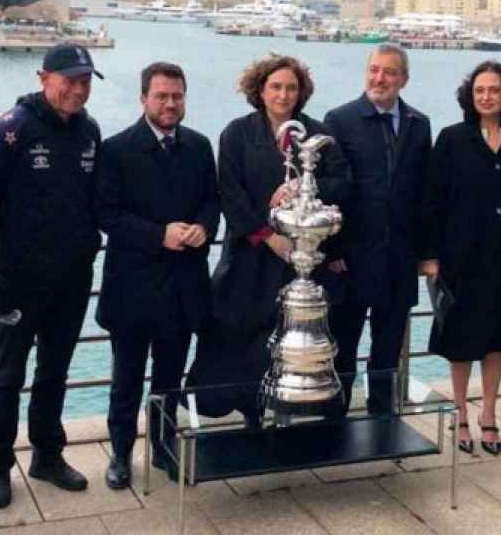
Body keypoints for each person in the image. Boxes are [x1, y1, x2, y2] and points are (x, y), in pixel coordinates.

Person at [185, 54, 351, 423]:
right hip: (250, 257)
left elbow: (342, 183)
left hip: (301, 259)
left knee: (289, 342)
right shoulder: (237, 133)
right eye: (276, 86)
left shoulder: (317, 133)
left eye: (291, 87)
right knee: (237, 338)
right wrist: (267, 236)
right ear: (260, 90)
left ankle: (287, 414)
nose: (283, 94)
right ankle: (247, 415)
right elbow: (230, 193)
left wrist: (304, 185)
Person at [0, 44, 104, 508]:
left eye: (85, 80)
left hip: (72, 277)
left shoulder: (89, 130)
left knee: (55, 370)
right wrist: (7, 253)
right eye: (68, 79)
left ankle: (47, 454)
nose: (77, 89)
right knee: (7, 373)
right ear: (43, 78)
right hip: (19, 279)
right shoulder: (12, 129)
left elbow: (93, 198)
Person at [97, 62, 220, 489]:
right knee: (126, 379)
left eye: (177, 96)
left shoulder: (200, 146)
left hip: (183, 287)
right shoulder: (116, 149)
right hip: (132, 287)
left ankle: (164, 447)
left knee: (169, 379)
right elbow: (106, 214)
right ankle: (120, 454)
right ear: (144, 99)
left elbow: (212, 202)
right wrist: (158, 235)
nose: (170, 104)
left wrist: (205, 227)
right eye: (162, 96)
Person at [419, 61, 501, 455]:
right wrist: (429, 256)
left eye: (494, 89)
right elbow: (432, 201)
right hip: (461, 259)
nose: (486, 96)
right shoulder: (452, 139)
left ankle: (488, 415)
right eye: (479, 90)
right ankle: (459, 413)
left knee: (499, 338)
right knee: (460, 341)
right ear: (470, 96)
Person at [324, 44, 432, 415]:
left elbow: (424, 194)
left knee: (387, 349)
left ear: (403, 79)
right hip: (351, 257)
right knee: (344, 344)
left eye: (388, 72)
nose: (379, 78)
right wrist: (333, 250)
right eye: (374, 70)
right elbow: (330, 190)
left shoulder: (420, 124)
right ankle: (335, 418)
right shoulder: (339, 121)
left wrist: (425, 252)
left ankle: (382, 419)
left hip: (400, 257)